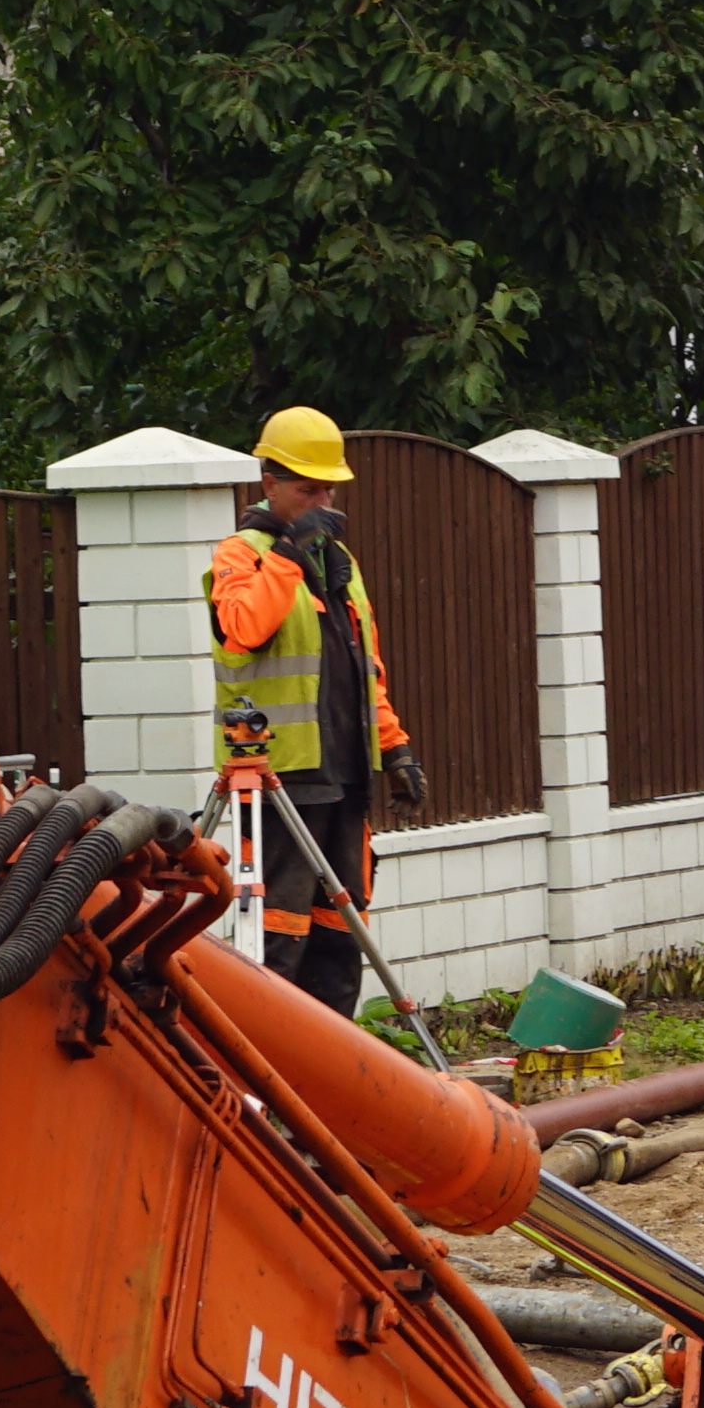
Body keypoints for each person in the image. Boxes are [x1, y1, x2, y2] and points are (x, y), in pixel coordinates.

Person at [209, 404, 417, 1012]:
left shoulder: (340, 564)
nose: (322, 501)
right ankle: (275, 1067)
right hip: (279, 780)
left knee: (339, 930)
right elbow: (243, 627)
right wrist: (287, 555)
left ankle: (336, 1061)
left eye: (328, 488)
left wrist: (395, 745)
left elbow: (363, 671)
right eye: (308, 489)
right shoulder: (240, 554)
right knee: (279, 931)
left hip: (346, 776)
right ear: (269, 483)